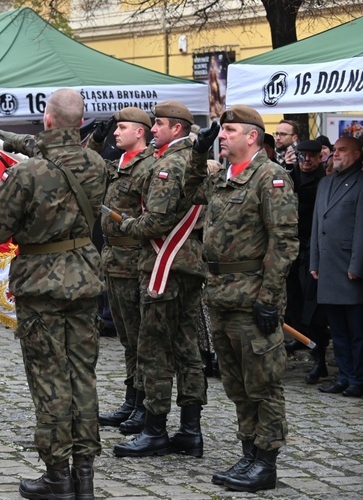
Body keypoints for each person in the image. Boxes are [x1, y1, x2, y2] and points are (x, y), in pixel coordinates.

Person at [0, 88, 106, 500]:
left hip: (42, 284)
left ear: (47, 119)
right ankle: (85, 475)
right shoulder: (97, 164)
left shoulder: (29, 174)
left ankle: (57, 475)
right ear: (79, 123)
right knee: (83, 377)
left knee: (49, 380)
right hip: (83, 278)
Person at [185, 105, 298, 492]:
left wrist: (269, 297)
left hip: (252, 298)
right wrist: (198, 154)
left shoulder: (270, 177)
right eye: (223, 130)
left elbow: (284, 242)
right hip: (220, 295)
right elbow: (188, 191)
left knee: (263, 383)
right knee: (236, 383)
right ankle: (249, 452)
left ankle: (266, 461)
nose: (223, 135)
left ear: (252, 136)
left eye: (230, 130)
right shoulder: (223, 177)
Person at [111, 101, 207, 459]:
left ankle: (155, 430)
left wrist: (125, 225)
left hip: (163, 265)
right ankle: (190, 430)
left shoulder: (168, 165)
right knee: (187, 349)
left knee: (154, 349)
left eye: (159, 124)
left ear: (178, 129)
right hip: (189, 264)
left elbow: (156, 222)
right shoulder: (189, 161)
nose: (152, 129)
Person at [91, 108, 155, 431]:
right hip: (113, 262)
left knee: (141, 338)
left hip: (135, 263)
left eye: (122, 128)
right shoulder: (118, 163)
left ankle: (144, 404)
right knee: (127, 340)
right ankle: (131, 400)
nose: (117, 133)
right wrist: (97, 139)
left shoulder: (149, 167)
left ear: (141, 132)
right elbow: (82, 165)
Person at [310, 137, 363, 398]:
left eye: (343, 150)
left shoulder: (362, 183)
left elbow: (362, 229)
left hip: (349, 268)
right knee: (338, 330)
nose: (336, 154)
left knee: (358, 331)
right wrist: (314, 261)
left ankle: (358, 378)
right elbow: (316, 226)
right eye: (335, 150)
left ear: (357, 155)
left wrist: (357, 264)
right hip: (328, 267)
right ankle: (343, 376)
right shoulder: (325, 183)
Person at [283, 140, 330, 383]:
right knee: (293, 303)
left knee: (314, 309)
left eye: (312, 156)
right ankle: (308, 346)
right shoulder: (289, 177)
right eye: (303, 156)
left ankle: (319, 358)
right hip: (291, 249)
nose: (307, 160)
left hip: (314, 250)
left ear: (320, 157)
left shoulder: (325, 179)